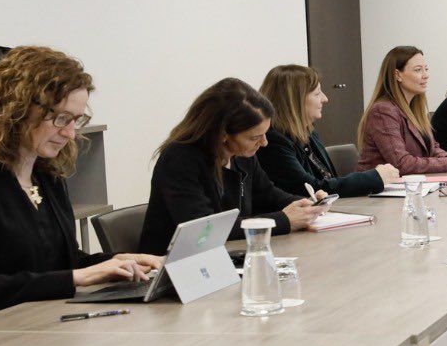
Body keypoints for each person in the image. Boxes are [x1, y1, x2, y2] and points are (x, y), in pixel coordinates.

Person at [0, 46, 160, 330]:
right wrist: (76, 277)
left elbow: (59, 262)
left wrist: (115, 263)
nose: (70, 133)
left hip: (33, 326)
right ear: (16, 109)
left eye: (76, 120)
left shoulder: (47, 175)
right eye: (61, 118)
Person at [138, 78, 323, 254]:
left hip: (229, 256)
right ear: (223, 134)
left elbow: (268, 194)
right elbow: (205, 230)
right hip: (174, 267)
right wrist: (283, 220)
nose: (265, 143)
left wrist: (307, 204)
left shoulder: (241, 154)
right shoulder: (179, 159)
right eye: (255, 137)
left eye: (264, 134)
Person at [258, 64, 395, 198]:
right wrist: (374, 177)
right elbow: (311, 188)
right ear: (295, 100)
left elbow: (328, 182)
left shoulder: (309, 133)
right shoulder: (273, 140)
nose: (325, 99)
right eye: (317, 94)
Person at [356, 46, 447, 175]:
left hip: (408, 187)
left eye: (426, 69)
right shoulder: (383, 111)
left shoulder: (413, 109)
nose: (426, 75)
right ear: (397, 75)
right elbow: (401, 164)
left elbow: (432, 150)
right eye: (418, 70)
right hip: (378, 192)